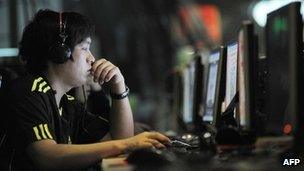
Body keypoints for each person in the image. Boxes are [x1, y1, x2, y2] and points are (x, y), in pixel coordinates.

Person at [0, 9, 170, 171]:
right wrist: (128, 144)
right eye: (84, 48)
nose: (92, 58)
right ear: (60, 52)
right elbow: (47, 157)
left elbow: (119, 139)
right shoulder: (28, 92)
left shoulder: (68, 105)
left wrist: (118, 86)